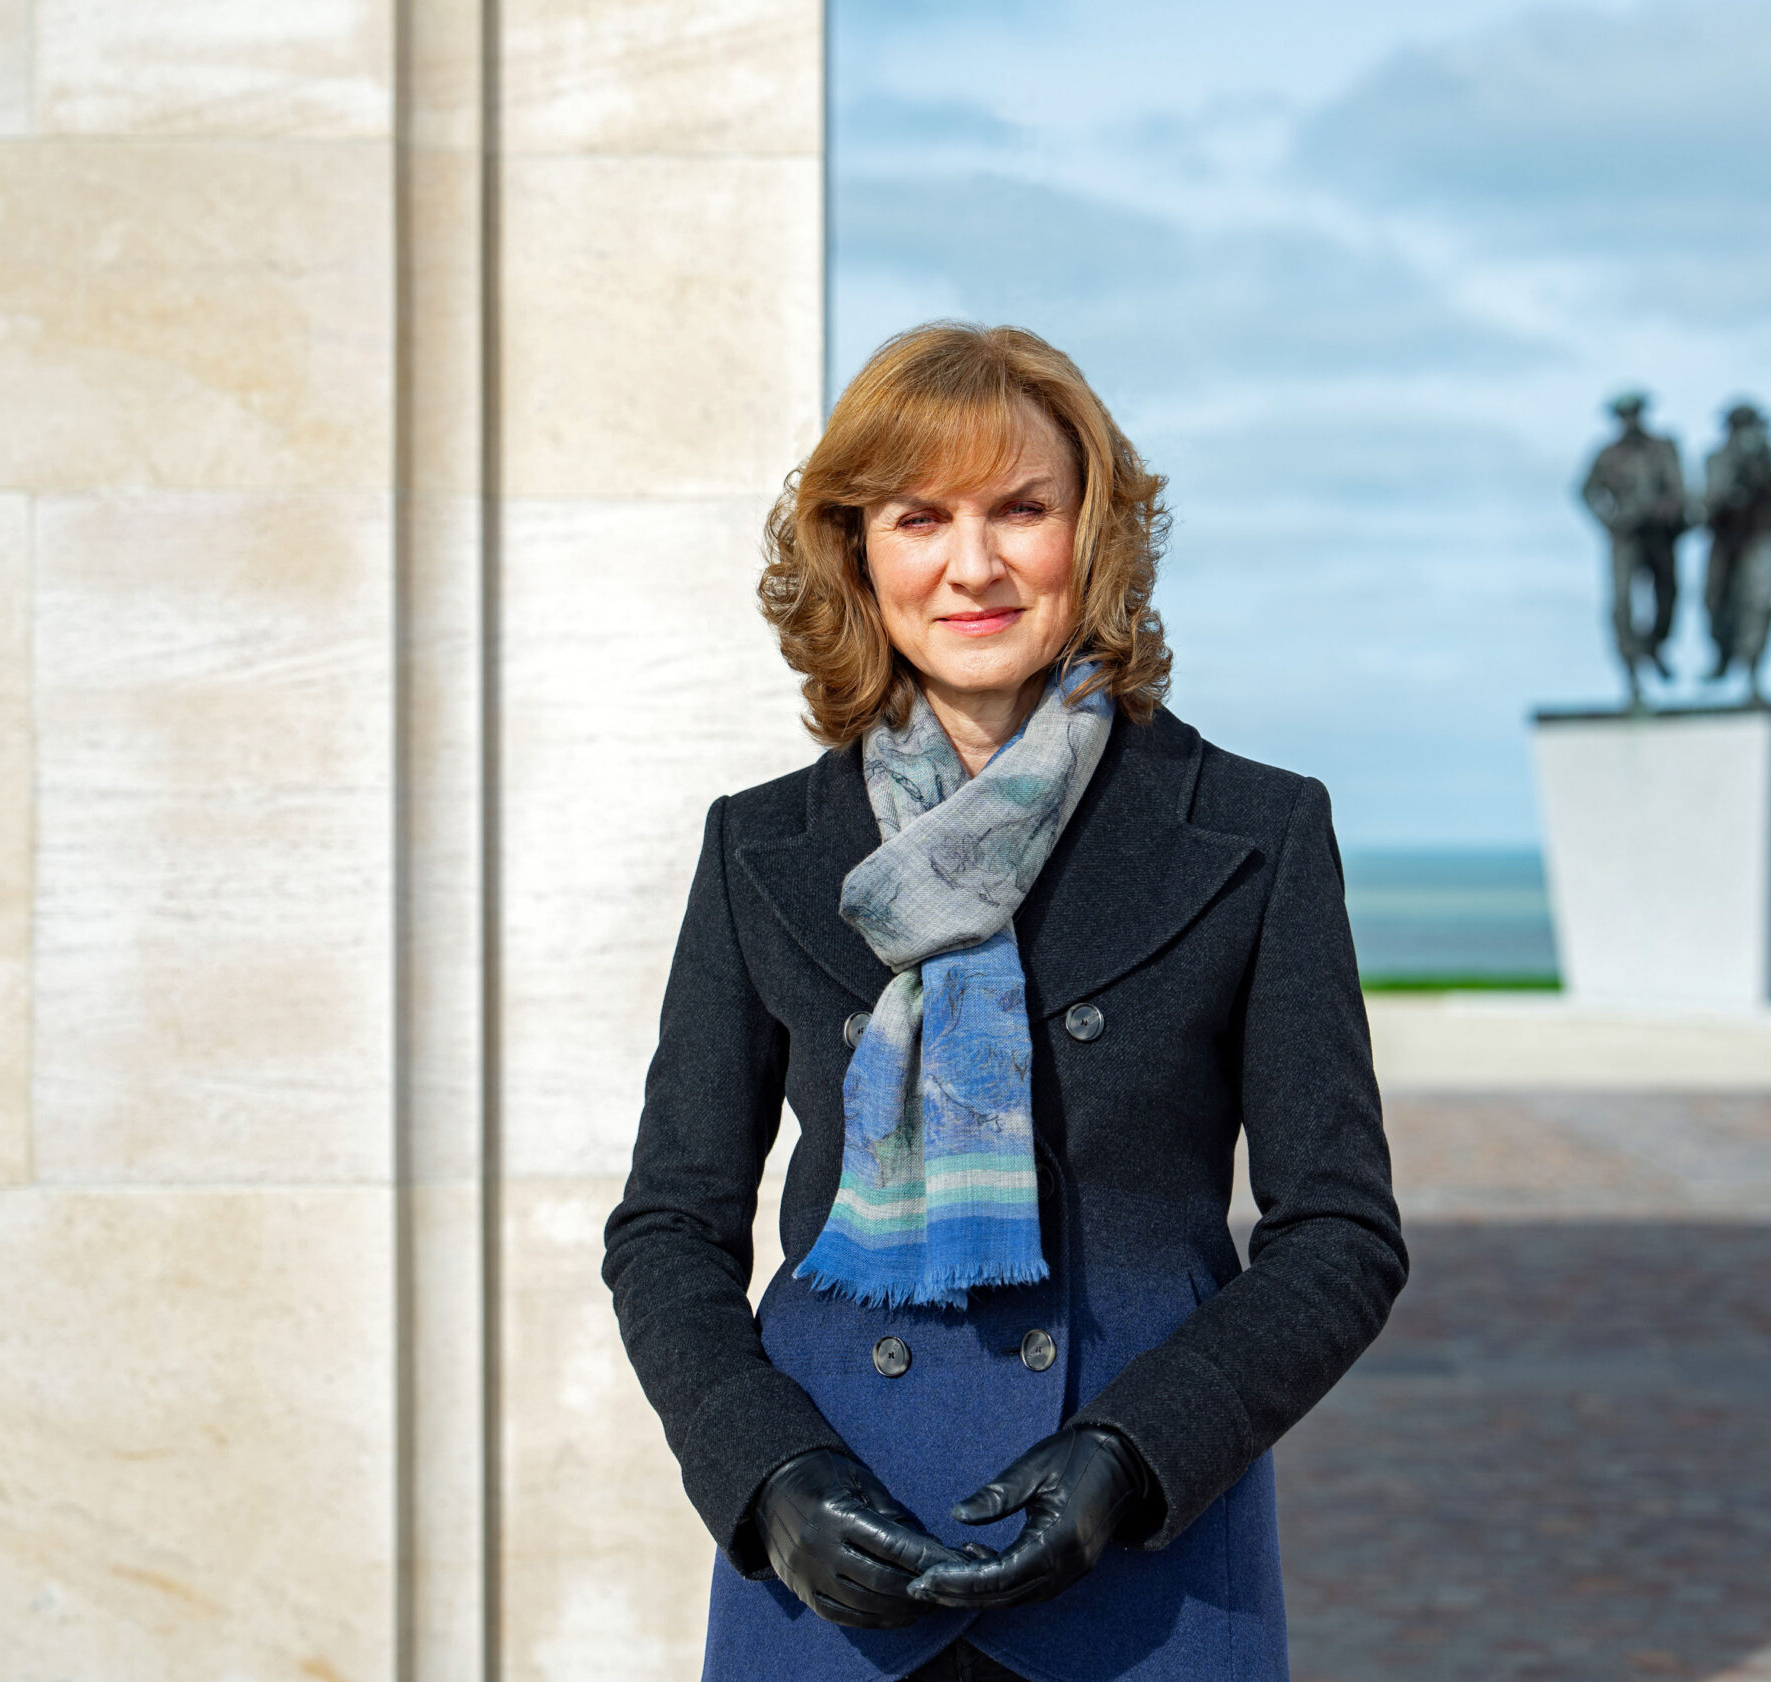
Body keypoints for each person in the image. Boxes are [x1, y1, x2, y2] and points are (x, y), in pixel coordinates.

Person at [602, 323, 1408, 1682]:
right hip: (837, 1572)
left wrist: (1136, 1452)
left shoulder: (1253, 832)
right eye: (920, 516)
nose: (971, 565)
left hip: (1149, 1567)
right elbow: (667, 1229)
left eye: (1019, 509)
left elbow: (1340, 1232)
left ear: (1089, 537)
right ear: (858, 550)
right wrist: (769, 1478)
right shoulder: (763, 850)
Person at [1577, 391, 1690, 707]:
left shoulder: (1663, 449)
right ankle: (1631, 672)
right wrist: (1610, 519)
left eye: (1634, 414)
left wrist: (1668, 508)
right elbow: (1585, 491)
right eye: (1624, 416)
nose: (1630, 422)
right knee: (1623, 607)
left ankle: (1655, 646)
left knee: (1666, 598)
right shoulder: (1608, 455)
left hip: (1658, 536)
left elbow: (1680, 490)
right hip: (1625, 538)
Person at [1700, 401, 1771, 699]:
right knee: (1715, 602)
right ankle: (1722, 655)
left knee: (1758, 607)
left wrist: (1763, 463)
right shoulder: (1717, 459)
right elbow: (1709, 502)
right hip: (1725, 542)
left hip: (1760, 540)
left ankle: (1752, 668)